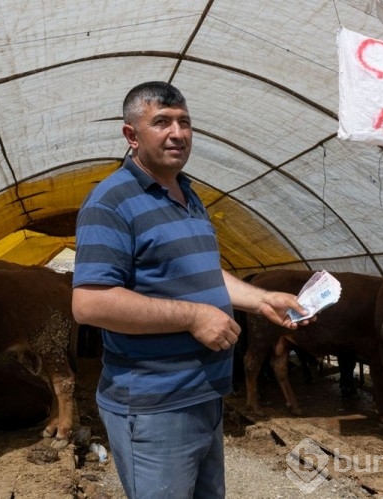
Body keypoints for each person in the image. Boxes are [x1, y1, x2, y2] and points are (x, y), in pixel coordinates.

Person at [72, 81, 313, 499]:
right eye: (161, 122)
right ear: (131, 136)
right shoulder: (111, 203)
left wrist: (261, 299)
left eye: (184, 122)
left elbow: (203, 273)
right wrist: (193, 316)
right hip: (154, 405)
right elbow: (90, 302)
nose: (177, 133)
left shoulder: (189, 195)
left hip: (205, 394)